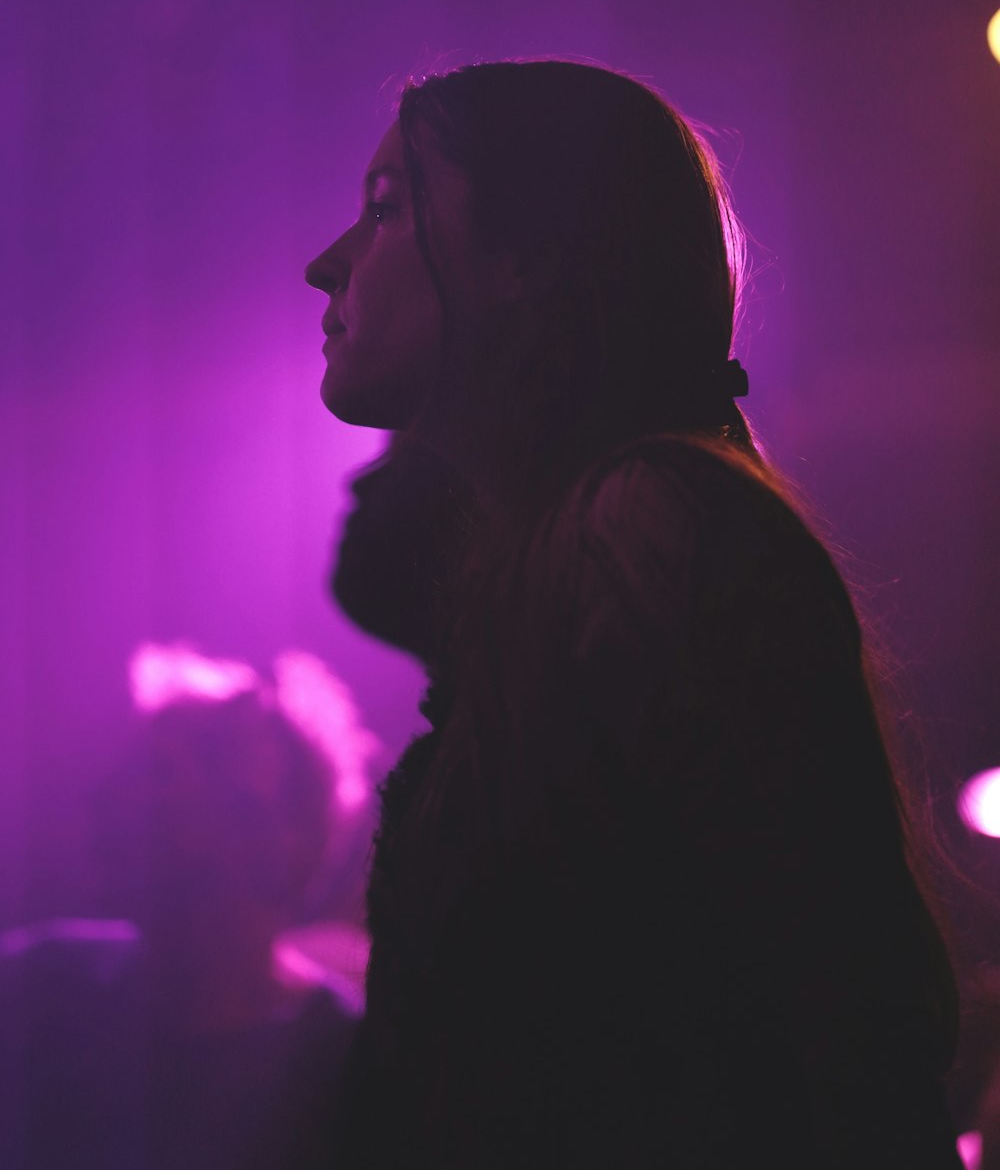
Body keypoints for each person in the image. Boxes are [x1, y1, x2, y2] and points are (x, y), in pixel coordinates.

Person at [305, 59, 963, 1168]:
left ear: (525, 259)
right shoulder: (591, 540)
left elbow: (817, 1018)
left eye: (387, 209)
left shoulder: (643, 525)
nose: (326, 263)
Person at [0, 687, 357, 1170]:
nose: (103, 797)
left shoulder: (349, 1066)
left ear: (264, 831)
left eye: (155, 774)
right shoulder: (37, 982)